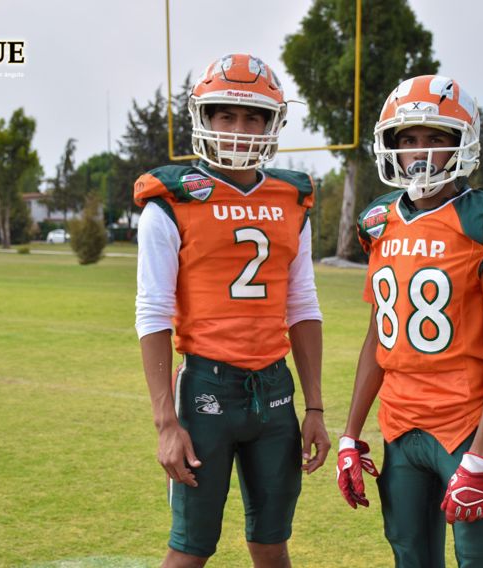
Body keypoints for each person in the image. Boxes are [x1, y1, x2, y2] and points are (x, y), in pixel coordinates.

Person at [134, 53, 330, 568]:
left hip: (275, 390)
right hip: (206, 388)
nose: (239, 130)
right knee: (190, 548)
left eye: (252, 118)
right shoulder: (171, 200)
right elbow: (152, 313)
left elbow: (302, 305)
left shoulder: (291, 199)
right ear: (205, 117)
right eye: (227, 115)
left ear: (272, 124)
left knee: (271, 544)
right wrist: (165, 422)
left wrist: (314, 407)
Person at [336, 75, 483, 567]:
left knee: (479, 559)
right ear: (393, 146)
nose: (420, 151)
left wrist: (482, 453)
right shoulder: (381, 224)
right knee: (410, 555)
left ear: (461, 144)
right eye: (409, 139)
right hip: (399, 427)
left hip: (464, 426)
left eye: (435, 138)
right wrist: (350, 434)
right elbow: (377, 341)